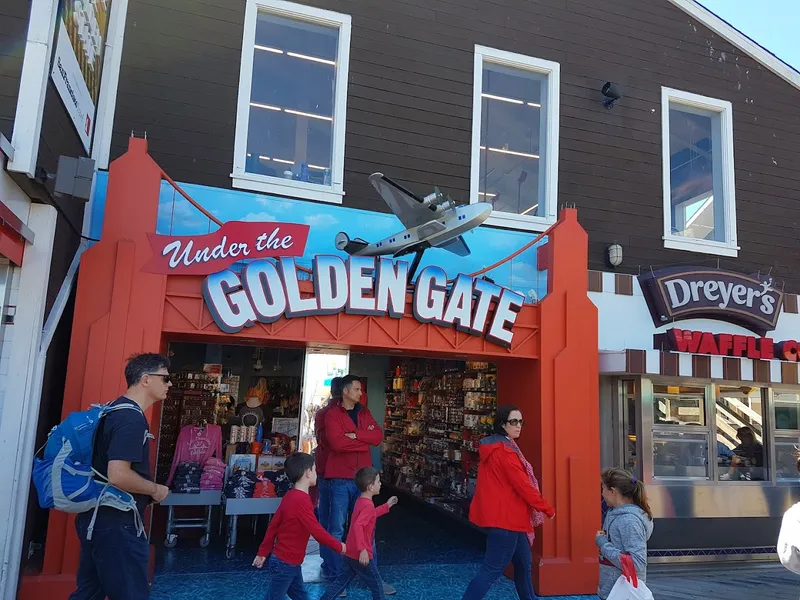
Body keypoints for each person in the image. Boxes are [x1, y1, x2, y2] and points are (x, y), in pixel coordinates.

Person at [69, 353, 172, 600]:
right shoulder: (132, 419)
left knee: (89, 593)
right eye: (165, 378)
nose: (169, 384)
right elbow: (118, 475)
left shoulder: (111, 410)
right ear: (146, 379)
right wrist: (155, 490)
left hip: (94, 517)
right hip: (118, 522)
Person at [462, 405, 555, 600]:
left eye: (521, 421)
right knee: (491, 570)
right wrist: (546, 508)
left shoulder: (498, 446)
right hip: (507, 519)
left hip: (510, 518)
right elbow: (524, 486)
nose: (519, 425)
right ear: (502, 424)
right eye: (514, 422)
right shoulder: (506, 451)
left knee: (523, 565)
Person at [324, 374, 394, 595]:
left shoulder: (364, 412)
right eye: (356, 389)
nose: (360, 393)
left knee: (368, 526)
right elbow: (336, 443)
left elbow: (378, 437)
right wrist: (363, 440)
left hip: (363, 478)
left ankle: (372, 578)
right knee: (336, 529)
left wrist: (354, 435)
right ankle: (337, 577)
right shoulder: (332, 414)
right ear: (345, 391)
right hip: (339, 477)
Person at [253, 452, 347, 600]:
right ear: (308, 473)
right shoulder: (302, 501)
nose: (316, 473)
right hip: (286, 563)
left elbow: (273, 526)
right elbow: (316, 531)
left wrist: (263, 552)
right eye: (315, 470)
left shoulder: (290, 496)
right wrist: (339, 546)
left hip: (288, 561)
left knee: (300, 596)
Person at [320, 467, 398, 600]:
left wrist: (386, 506)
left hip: (350, 553)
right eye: (378, 482)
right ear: (370, 487)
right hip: (360, 555)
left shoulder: (361, 501)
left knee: (340, 584)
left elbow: (370, 515)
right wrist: (363, 550)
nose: (380, 484)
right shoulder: (367, 505)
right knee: (377, 585)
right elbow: (358, 526)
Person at [596, 468, 654, 600]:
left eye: (603, 489)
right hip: (613, 590)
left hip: (624, 593)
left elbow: (637, 563)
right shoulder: (616, 513)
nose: (602, 494)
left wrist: (603, 544)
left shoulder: (628, 521)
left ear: (612, 492)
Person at [316, 376, 344, 580]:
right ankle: (337, 569)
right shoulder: (339, 413)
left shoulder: (322, 413)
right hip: (340, 473)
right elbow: (337, 444)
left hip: (324, 470)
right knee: (339, 524)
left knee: (328, 521)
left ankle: (330, 565)